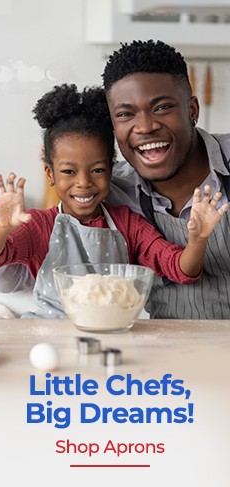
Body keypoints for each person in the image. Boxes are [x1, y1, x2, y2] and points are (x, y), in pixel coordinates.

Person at [0, 84, 227, 319]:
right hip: (52, 334)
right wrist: (2, 227)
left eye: (97, 170)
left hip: (114, 334)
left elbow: (181, 269)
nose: (84, 182)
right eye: (69, 172)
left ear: (112, 170)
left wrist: (198, 239)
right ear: (50, 173)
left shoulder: (128, 225)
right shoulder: (40, 225)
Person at [102, 39, 230, 319]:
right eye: (125, 114)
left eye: (161, 107)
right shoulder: (111, 193)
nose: (146, 127)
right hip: (167, 353)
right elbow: (18, 277)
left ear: (192, 111)